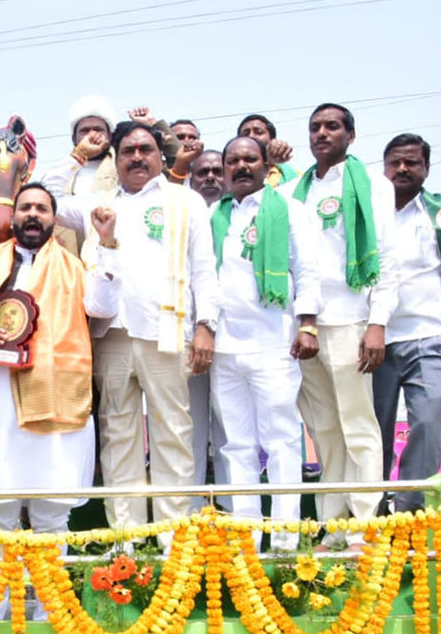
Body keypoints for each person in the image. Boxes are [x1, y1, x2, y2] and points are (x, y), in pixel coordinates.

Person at [43, 120, 219, 537]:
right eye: (127, 151)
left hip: (166, 332)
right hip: (112, 336)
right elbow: (48, 197)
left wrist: (206, 326)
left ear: (161, 156)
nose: (137, 157)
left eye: (145, 149)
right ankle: (127, 541)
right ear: (115, 158)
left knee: (173, 435)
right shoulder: (98, 201)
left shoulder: (186, 200)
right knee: (117, 436)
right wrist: (78, 154)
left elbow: (204, 270)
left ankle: (173, 541)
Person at [0, 183, 121, 566]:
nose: (32, 214)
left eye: (42, 208)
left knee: (51, 513)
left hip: (57, 398)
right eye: (25, 207)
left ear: (54, 219)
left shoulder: (73, 265)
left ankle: (49, 612)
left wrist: (106, 245)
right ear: (13, 215)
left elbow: (103, 307)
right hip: (0, 400)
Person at [279, 103, 399, 550]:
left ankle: (367, 523)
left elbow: (386, 259)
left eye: (332, 126)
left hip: (351, 319)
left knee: (358, 424)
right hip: (304, 324)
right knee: (324, 428)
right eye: (315, 127)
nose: (322, 134)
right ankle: (333, 524)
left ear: (351, 135)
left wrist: (378, 323)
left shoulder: (374, 187)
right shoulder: (294, 190)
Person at [208, 137, 321, 548]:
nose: (241, 166)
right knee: (236, 445)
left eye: (249, 159)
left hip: (274, 343)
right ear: (223, 169)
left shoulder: (289, 210)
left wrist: (308, 324)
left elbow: (307, 270)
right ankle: (246, 542)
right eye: (232, 160)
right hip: (224, 348)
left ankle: (286, 540)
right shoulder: (214, 216)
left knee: (282, 440)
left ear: (265, 164)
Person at [372, 133, 441, 513]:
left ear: (426, 168)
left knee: (429, 419)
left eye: (412, 163)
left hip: (431, 337)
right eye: (395, 163)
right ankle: (373, 513)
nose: (402, 169)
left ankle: (411, 514)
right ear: (383, 168)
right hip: (375, 340)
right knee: (374, 433)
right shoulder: (369, 214)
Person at [187, 149, 230, 497]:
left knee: (232, 433)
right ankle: (189, 518)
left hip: (237, 340)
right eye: (202, 172)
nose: (211, 178)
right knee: (191, 431)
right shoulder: (183, 213)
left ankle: (237, 520)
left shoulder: (245, 215)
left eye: (218, 170)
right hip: (192, 338)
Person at [238, 113, 298, 188]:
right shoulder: (231, 178)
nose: (251, 136)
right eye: (245, 133)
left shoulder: (298, 179)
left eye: (258, 132)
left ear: (272, 140)